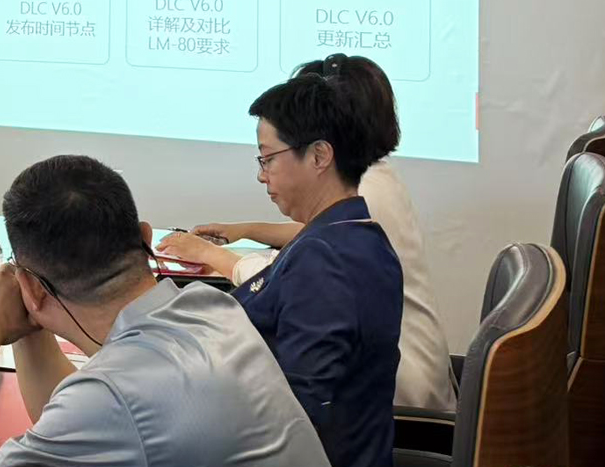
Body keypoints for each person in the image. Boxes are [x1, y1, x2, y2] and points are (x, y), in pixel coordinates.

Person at [0, 155, 327, 467]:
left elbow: (106, 409)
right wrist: (28, 324)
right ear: (145, 237)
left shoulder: (112, 399)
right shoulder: (210, 306)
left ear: (30, 286)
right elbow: (65, 419)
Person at [162, 54, 455, 412]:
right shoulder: (347, 215)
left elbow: (300, 406)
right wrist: (246, 231)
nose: (261, 175)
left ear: (321, 152)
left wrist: (210, 256)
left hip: (405, 395)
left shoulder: (338, 239)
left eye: (268, 159)